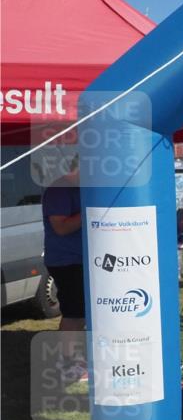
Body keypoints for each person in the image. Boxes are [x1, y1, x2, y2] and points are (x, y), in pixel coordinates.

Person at [42, 157, 88, 383]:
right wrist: (89, 209)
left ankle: (77, 359)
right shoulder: (60, 190)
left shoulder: (82, 189)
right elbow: (60, 228)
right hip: (66, 261)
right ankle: (68, 363)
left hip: (84, 260)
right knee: (74, 313)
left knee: (82, 313)